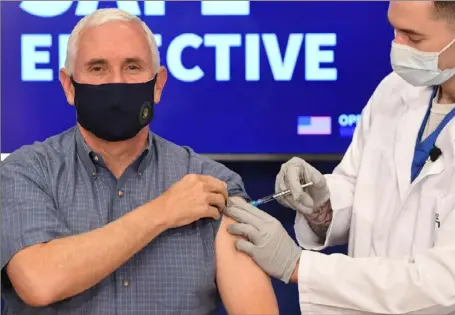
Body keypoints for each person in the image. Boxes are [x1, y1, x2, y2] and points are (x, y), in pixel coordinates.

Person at [0, 8, 278, 315]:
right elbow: (39, 281)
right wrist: (162, 211)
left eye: (132, 67)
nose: (116, 84)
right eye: (97, 68)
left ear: (158, 85)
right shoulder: (26, 173)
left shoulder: (210, 184)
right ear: (69, 86)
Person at [225, 1, 455, 314]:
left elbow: (443, 284)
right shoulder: (396, 90)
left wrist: (298, 266)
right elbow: (360, 187)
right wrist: (322, 204)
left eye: (413, 38)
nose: (397, 47)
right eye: (393, 30)